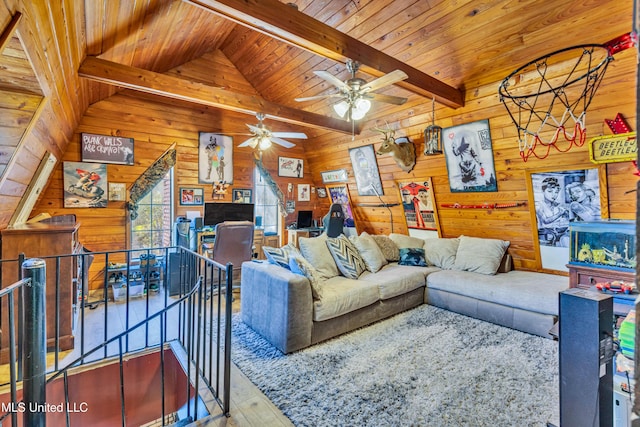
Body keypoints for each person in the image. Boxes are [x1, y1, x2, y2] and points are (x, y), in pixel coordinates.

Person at [535, 177, 569, 247]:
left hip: (559, 237)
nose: (554, 195)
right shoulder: (538, 205)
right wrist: (560, 213)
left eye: (556, 192)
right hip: (545, 239)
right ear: (543, 191)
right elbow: (546, 221)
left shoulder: (558, 206)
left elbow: (565, 221)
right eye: (550, 191)